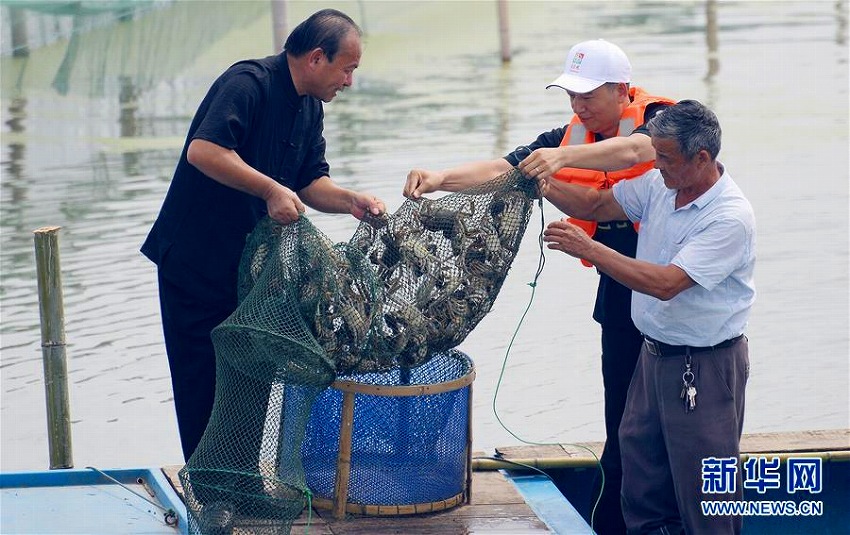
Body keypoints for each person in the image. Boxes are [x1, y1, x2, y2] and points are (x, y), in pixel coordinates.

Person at [404, 39, 674, 534]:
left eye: (588, 95)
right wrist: (440, 178)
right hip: (618, 286)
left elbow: (642, 149)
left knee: (666, 418)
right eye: (571, 95)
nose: (578, 106)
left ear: (621, 90)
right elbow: (503, 170)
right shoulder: (563, 138)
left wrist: (560, 158)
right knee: (620, 414)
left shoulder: (658, 118)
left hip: (670, 287)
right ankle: (615, 520)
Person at [141, 9, 385, 463]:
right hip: (196, 264)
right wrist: (271, 189)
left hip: (251, 273)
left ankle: (241, 481)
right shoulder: (248, 83)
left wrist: (350, 200)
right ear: (316, 58)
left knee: (251, 382)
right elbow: (204, 150)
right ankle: (208, 488)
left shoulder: (310, 106)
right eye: (347, 69)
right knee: (202, 384)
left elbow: (310, 182)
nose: (349, 82)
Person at [541, 100, 755, 534]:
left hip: (705, 367)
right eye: (655, 154)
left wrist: (590, 249)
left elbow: (666, 283)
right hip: (652, 357)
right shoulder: (661, 185)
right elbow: (597, 204)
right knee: (640, 482)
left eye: (666, 157)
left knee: (706, 498)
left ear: (701, 158)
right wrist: (543, 183)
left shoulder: (729, 217)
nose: (656, 164)